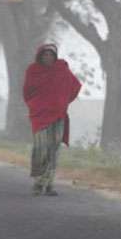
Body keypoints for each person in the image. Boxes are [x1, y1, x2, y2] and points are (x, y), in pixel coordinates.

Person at [23, 43, 81, 196]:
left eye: (51, 55)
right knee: (41, 148)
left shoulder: (62, 69)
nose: (48, 57)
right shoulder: (33, 71)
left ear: (55, 57)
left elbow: (75, 86)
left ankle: (48, 184)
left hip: (58, 115)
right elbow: (27, 92)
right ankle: (38, 181)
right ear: (40, 56)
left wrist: (63, 102)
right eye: (45, 55)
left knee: (53, 150)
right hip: (40, 116)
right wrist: (34, 106)